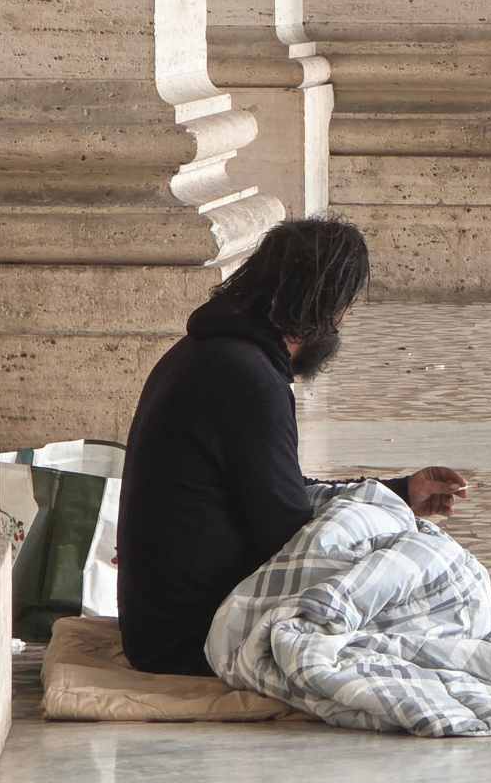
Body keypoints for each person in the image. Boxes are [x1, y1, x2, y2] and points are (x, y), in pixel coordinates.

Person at [116, 216, 468, 677]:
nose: (340, 326)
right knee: (425, 566)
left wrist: (400, 493)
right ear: (321, 310)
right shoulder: (248, 379)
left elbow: (277, 490)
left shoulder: (205, 355)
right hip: (193, 637)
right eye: (341, 311)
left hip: (158, 627)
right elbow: (284, 530)